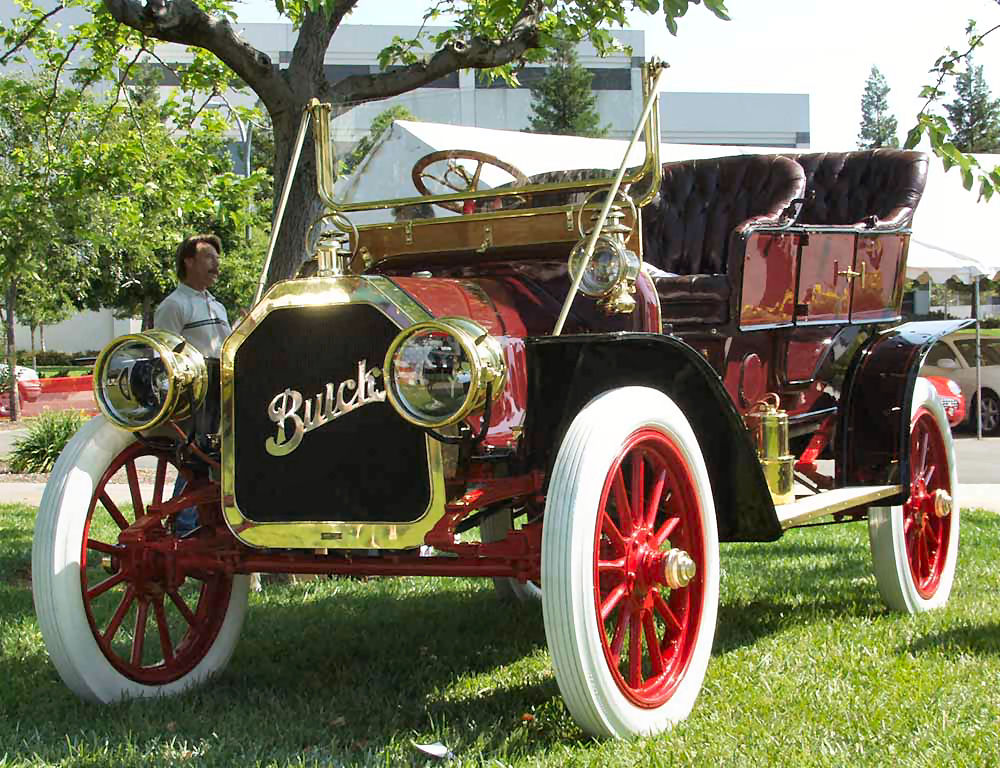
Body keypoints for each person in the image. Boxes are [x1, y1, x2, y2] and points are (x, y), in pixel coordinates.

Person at [154, 234, 231, 535]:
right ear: (188, 260)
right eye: (209, 257)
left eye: (217, 258)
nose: (216, 264)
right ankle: (183, 528)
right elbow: (165, 356)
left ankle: (210, 526)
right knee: (195, 460)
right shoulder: (174, 305)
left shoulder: (217, 306)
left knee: (219, 460)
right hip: (196, 395)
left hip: (222, 391)